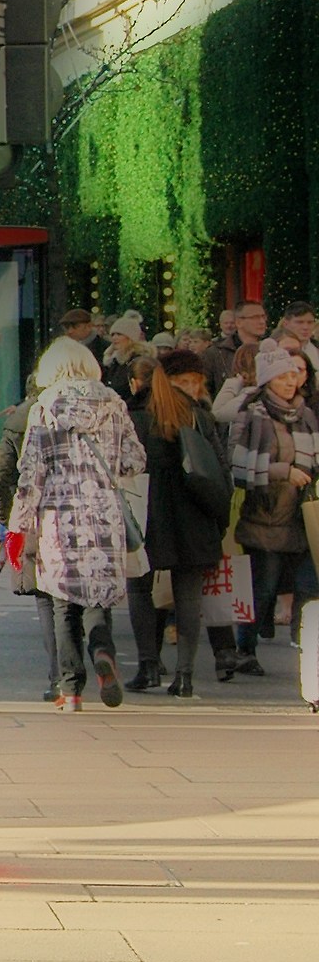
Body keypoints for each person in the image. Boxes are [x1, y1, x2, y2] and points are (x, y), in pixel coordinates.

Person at [10, 335, 147, 710]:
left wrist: (19, 523)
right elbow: (136, 459)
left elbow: (31, 470)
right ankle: (103, 652)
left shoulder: (45, 406)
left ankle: (70, 690)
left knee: (62, 604)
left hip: (59, 516)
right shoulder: (114, 402)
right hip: (104, 514)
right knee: (97, 598)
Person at [133, 349, 238, 697]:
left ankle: (148, 666)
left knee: (139, 589)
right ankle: (185, 676)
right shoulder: (198, 417)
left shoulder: (136, 416)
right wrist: (220, 519)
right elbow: (221, 472)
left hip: (148, 514)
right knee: (189, 597)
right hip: (194, 516)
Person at [226, 344, 319, 676]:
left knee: (308, 589)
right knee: (262, 590)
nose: (290, 382)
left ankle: (309, 651)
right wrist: (283, 471)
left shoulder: (306, 415)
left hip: (301, 518)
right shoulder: (252, 413)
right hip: (264, 518)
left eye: (293, 375)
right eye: (282, 377)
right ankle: (244, 649)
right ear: (267, 381)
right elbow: (235, 463)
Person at [0, 377, 62, 702]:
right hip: (78, 517)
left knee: (45, 598)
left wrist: (9, 520)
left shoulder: (20, 419)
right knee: (79, 601)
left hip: (35, 518)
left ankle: (59, 677)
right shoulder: (83, 411)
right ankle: (99, 655)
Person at [205, 299, 267, 389]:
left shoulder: (271, 350)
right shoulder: (216, 354)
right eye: (255, 317)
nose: (262, 321)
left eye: (263, 316)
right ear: (238, 322)